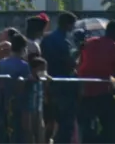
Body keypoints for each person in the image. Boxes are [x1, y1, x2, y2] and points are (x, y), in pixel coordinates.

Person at [75, 21, 115, 144]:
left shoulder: (89, 43)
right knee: (111, 125)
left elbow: (80, 63)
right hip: (103, 92)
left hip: (84, 90)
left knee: (86, 126)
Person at [39, 12, 77, 144]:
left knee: (50, 119)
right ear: (68, 24)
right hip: (64, 85)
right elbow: (69, 63)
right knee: (66, 122)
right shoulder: (65, 42)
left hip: (49, 82)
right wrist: (77, 55)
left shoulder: (46, 39)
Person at [0, 33, 34, 144]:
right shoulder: (24, 65)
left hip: (3, 101)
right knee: (20, 132)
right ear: (23, 48)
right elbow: (23, 85)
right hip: (20, 103)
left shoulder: (1, 63)